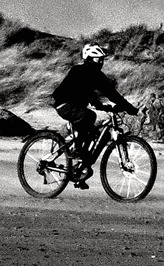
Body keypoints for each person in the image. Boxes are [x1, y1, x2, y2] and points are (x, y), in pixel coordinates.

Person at [52, 43, 139, 188]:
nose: (101, 62)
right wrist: (98, 104)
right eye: (99, 59)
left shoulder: (98, 76)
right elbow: (81, 90)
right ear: (89, 59)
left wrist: (131, 109)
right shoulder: (78, 71)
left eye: (102, 60)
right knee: (88, 116)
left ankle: (80, 168)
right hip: (64, 104)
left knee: (94, 132)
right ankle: (76, 150)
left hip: (78, 107)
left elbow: (112, 94)